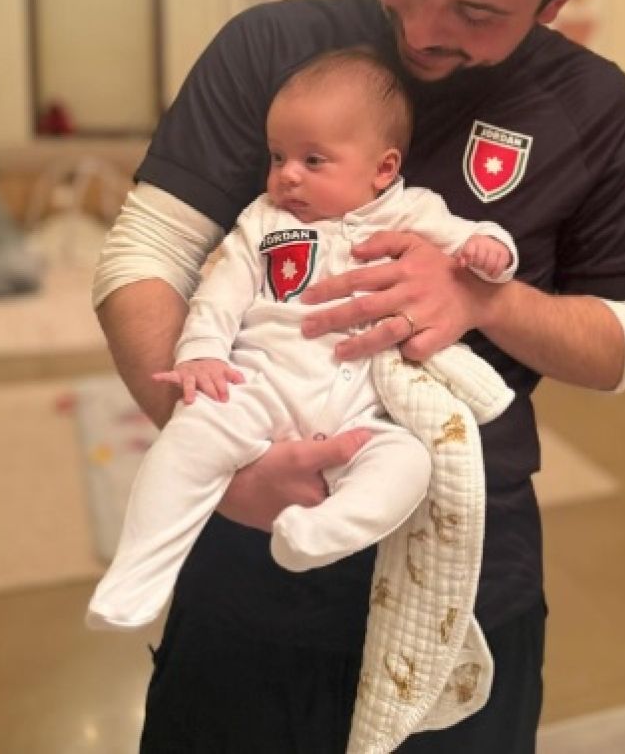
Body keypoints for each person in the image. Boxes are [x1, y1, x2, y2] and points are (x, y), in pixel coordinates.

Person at [94, 0, 625, 753]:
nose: (424, 26)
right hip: (248, 565)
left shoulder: (600, 113)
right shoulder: (273, 48)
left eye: (475, 10)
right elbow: (146, 250)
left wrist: (484, 299)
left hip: (469, 568)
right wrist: (225, 460)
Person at [86, 47, 516, 631]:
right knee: (190, 435)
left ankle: (320, 532)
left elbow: (472, 238)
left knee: (409, 463)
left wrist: (492, 252)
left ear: (382, 169)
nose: (287, 174)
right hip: (260, 387)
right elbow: (220, 292)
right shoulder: (263, 221)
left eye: (313, 160)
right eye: (278, 156)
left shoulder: (412, 211)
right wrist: (201, 354)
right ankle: (135, 581)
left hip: (361, 409)